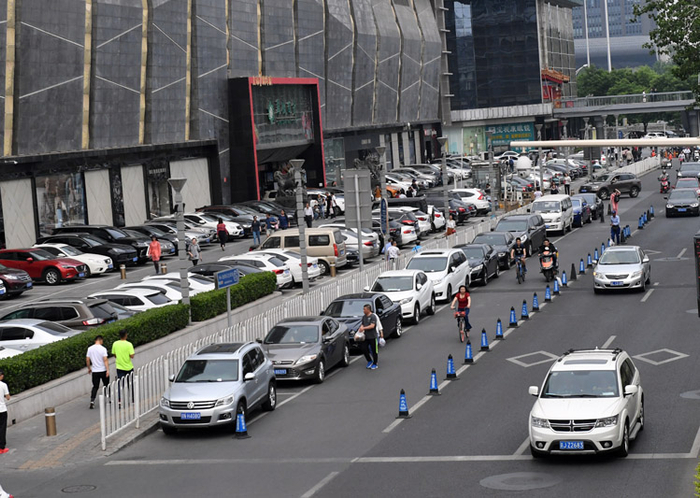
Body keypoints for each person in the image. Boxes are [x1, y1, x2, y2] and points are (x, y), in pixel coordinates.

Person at [112, 330, 134, 406]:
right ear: (126, 335)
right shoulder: (129, 344)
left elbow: (114, 354)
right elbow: (132, 356)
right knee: (130, 384)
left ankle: (119, 400)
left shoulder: (115, 344)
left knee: (120, 384)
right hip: (129, 367)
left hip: (119, 367)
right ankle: (132, 399)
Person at [86, 335, 109, 409]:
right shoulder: (103, 349)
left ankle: (92, 401)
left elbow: (87, 360)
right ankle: (108, 398)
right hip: (103, 370)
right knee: (106, 385)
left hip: (95, 371)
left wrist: (89, 368)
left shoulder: (90, 349)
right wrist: (107, 370)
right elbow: (105, 360)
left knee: (95, 386)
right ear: (100, 340)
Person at [358, 304, 379, 369]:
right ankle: (369, 361)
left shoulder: (373, 316)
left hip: (372, 336)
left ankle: (375, 363)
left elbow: (372, 326)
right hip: (365, 337)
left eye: (364, 309)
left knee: (374, 350)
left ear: (368, 309)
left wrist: (364, 328)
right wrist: (361, 328)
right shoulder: (364, 317)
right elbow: (362, 324)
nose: (363, 310)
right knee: (364, 348)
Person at [0, 370, 9, 454]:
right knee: (2, 428)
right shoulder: (3, 385)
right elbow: (8, 397)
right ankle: (1, 447)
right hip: (2, 409)